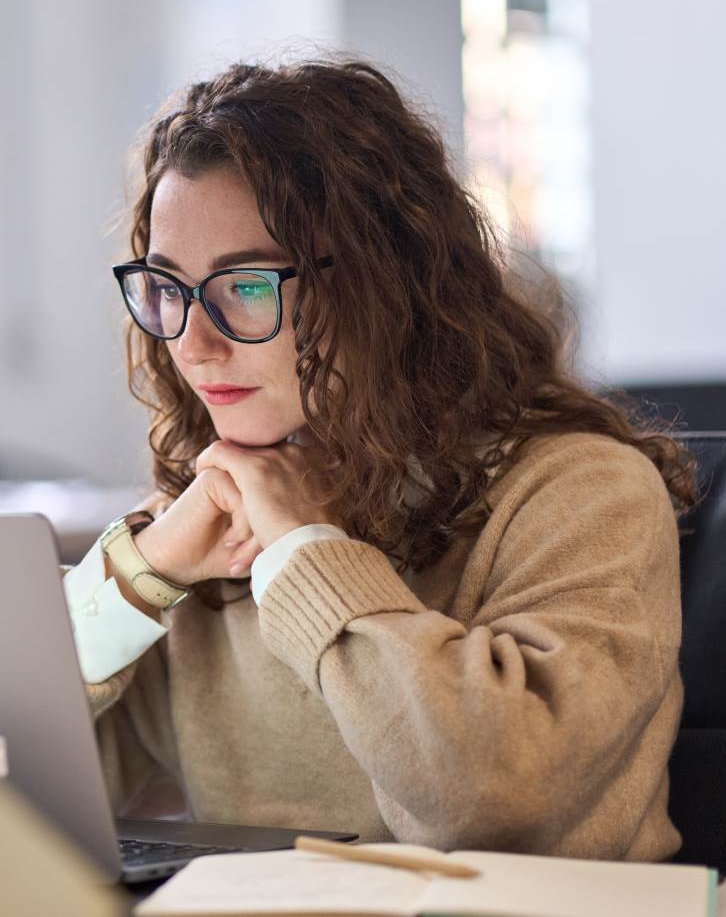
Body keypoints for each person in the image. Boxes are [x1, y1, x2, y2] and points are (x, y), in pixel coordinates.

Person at [60, 57, 695, 861]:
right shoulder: (213, 513)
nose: (193, 341)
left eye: (246, 286)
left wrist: (305, 552)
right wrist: (142, 570)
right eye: (167, 288)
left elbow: (487, 803)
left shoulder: (582, 493)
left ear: (382, 284)